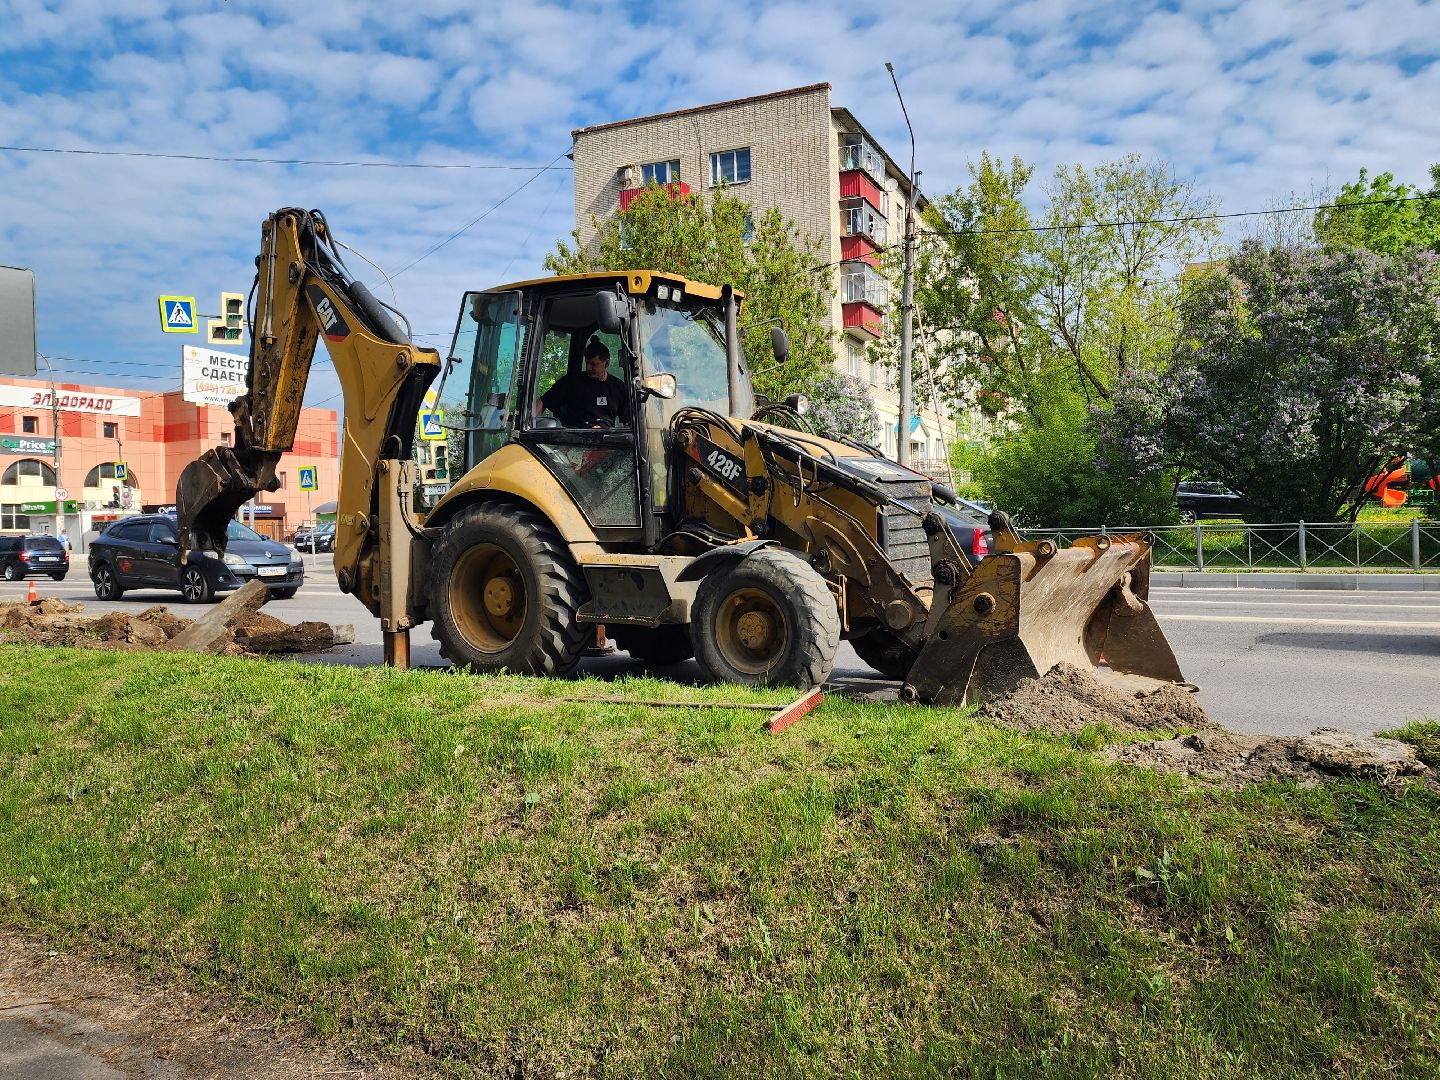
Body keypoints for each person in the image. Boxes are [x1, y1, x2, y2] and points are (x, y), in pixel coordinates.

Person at [536, 337, 630, 428]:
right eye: (587, 363)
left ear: (606, 363)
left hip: (606, 441)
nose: (588, 368)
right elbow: (543, 401)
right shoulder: (571, 382)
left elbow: (628, 421)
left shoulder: (618, 387)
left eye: (593, 364)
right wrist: (532, 425)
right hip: (575, 440)